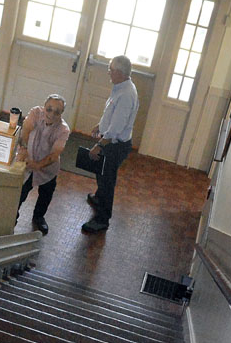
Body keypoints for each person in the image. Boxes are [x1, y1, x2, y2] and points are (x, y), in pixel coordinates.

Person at [82, 55, 139, 234]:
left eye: (111, 69)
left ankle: (102, 219)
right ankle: (98, 198)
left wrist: (99, 145)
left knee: (107, 181)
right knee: (101, 173)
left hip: (115, 145)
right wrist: (100, 125)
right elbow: (110, 113)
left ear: (120, 72)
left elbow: (116, 128)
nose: (108, 72)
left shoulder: (126, 95)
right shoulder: (120, 87)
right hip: (111, 141)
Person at [16, 94, 70, 235]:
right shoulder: (35, 113)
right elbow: (25, 130)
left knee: (45, 195)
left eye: (57, 112)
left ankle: (39, 217)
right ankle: (12, 216)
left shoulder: (63, 130)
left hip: (47, 168)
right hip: (28, 162)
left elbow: (54, 155)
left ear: (61, 113)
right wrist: (24, 150)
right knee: (19, 193)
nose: (51, 114)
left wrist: (38, 165)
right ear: (44, 106)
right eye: (49, 109)